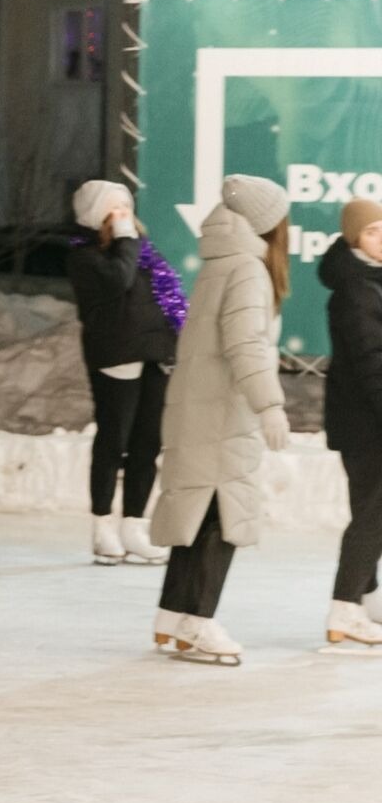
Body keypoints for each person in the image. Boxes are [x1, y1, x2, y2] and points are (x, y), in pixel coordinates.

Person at [150, 174, 291, 666]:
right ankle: (197, 620)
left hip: (200, 406)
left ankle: (172, 614)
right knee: (221, 517)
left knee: (199, 510)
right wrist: (268, 403)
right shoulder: (248, 270)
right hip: (221, 412)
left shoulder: (220, 262)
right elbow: (245, 344)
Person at [67, 180, 182, 567]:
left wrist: (176, 340)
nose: (123, 214)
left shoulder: (140, 249)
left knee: (147, 442)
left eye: (126, 206)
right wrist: (125, 239)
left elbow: (167, 295)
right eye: (114, 208)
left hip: (153, 353)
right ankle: (103, 526)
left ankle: (135, 523)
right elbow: (119, 280)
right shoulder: (85, 255)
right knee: (114, 439)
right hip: (116, 353)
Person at [317, 200, 382, 653]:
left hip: (365, 417)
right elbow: (369, 360)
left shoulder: (369, 280)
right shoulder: (355, 289)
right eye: (375, 231)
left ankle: (363, 598)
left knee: (372, 509)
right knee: (372, 514)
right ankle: (344, 606)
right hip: (366, 419)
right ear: (354, 238)